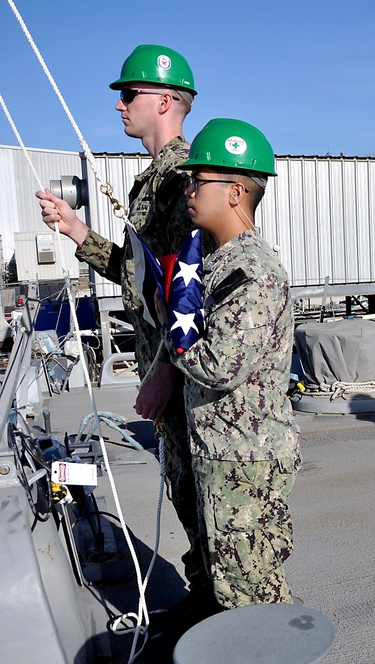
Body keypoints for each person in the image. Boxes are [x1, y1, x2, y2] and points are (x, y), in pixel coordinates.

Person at [35, 45, 213, 617]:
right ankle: (205, 598)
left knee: (204, 497)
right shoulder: (155, 180)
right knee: (186, 494)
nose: (119, 105)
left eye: (129, 93)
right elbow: (147, 281)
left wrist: (163, 371)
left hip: (183, 372)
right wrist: (77, 231)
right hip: (170, 370)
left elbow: (190, 295)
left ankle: (222, 612)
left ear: (165, 100)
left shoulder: (182, 180)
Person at [171, 118, 299, 609]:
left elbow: (221, 364)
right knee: (231, 589)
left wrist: (175, 339)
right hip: (223, 451)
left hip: (244, 459)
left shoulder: (253, 271)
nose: (189, 190)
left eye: (198, 181)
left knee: (252, 601)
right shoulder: (217, 261)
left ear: (235, 192)